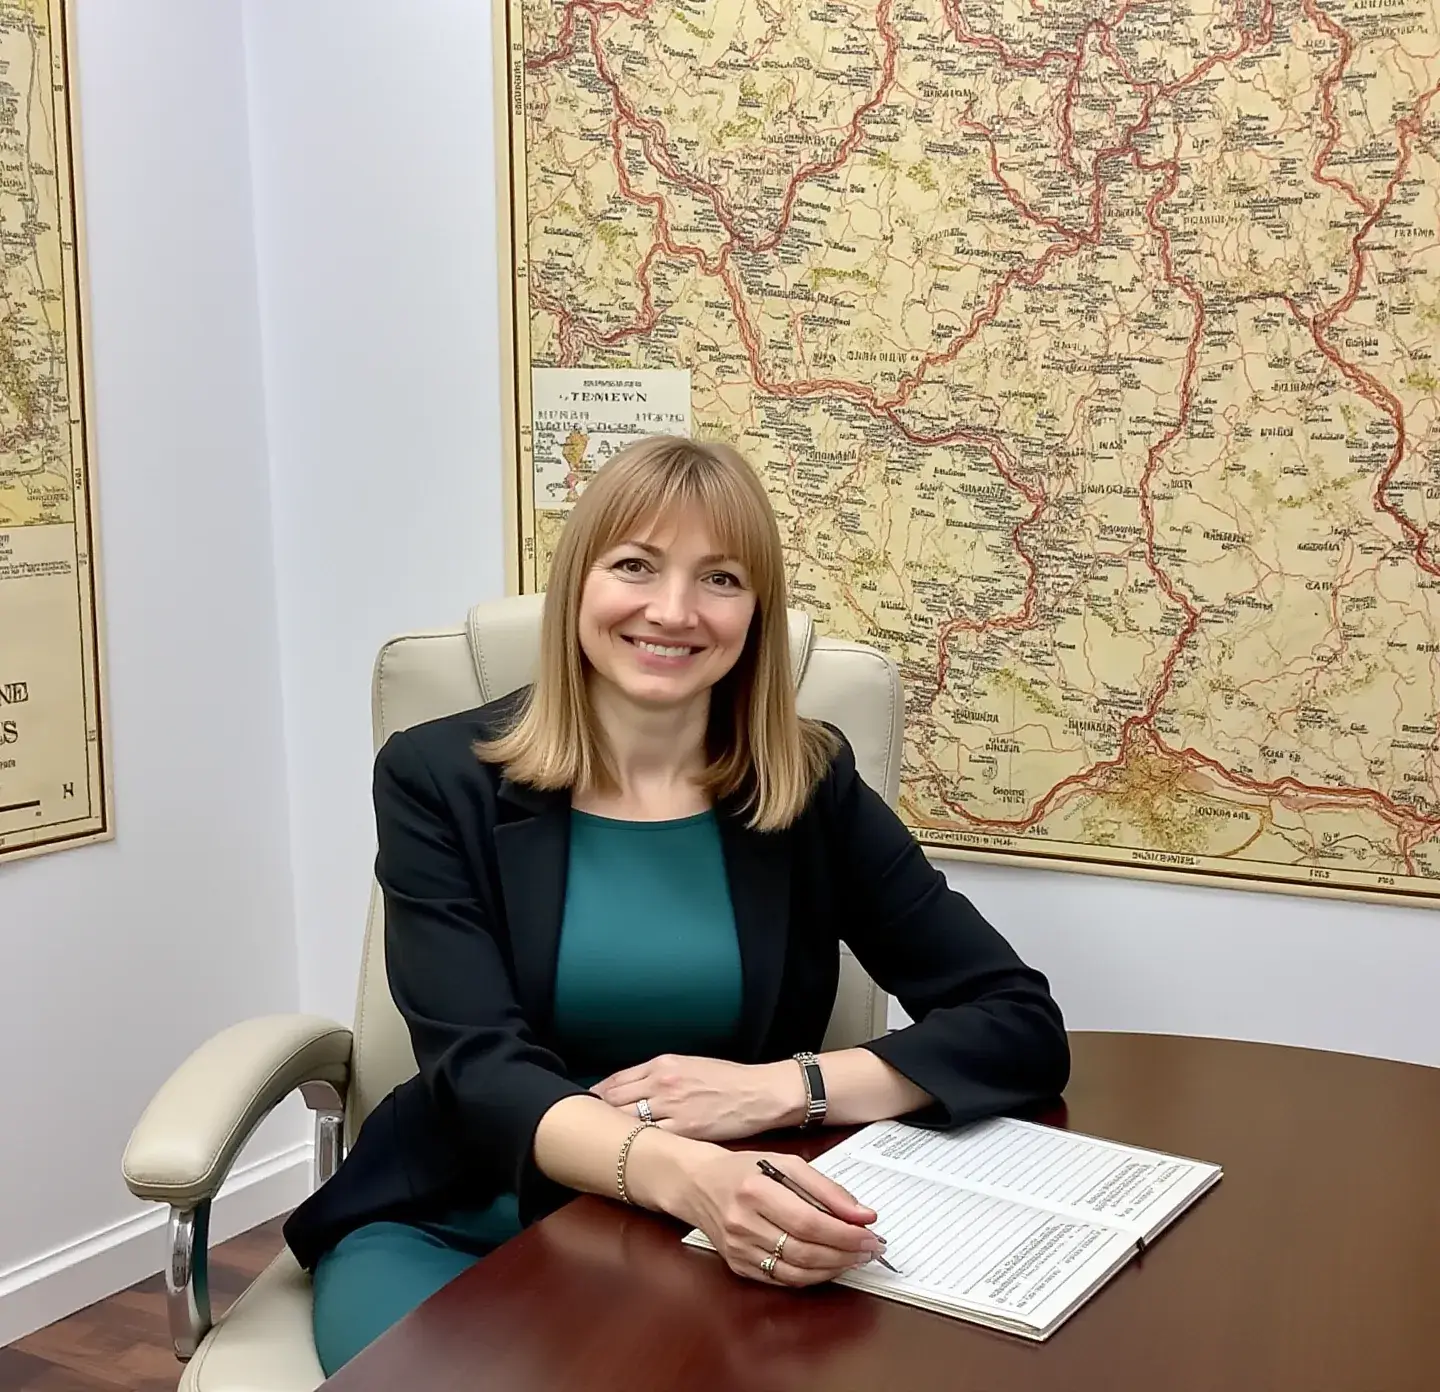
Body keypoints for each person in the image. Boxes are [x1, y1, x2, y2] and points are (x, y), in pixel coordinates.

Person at [283, 435, 1069, 1373]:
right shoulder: (437, 776)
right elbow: (476, 1068)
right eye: (635, 566)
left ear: (756, 613)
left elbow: (1017, 1023)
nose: (673, 610)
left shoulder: (808, 782)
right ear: (581, 583)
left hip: (713, 1239)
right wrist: (686, 1175)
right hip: (460, 1216)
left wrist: (785, 1087)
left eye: (721, 578)